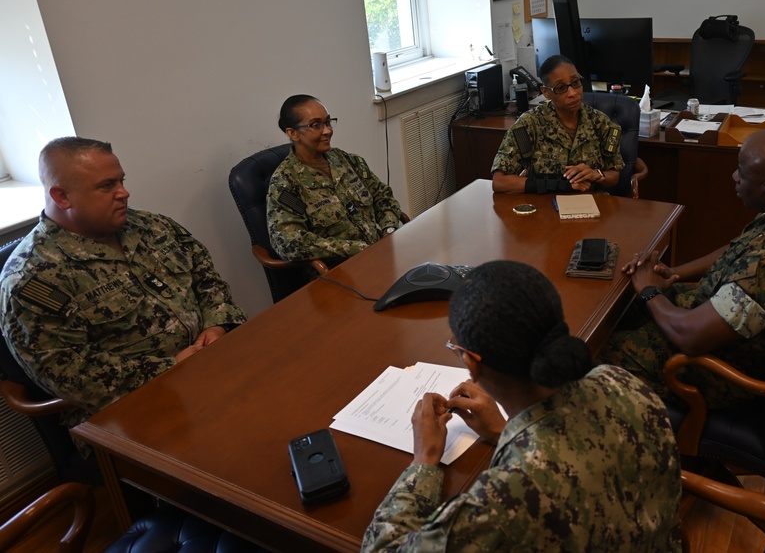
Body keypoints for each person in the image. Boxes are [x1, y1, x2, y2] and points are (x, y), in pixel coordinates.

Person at [363, 260, 681, 552]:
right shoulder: (621, 382)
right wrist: (505, 431)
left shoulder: (509, 496)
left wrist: (424, 462)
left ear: (471, 362)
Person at [0, 137, 246, 437]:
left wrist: (217, 325)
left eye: (121, 181)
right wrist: (172, 367)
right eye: (107, 186)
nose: (124, 193)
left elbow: (206, 278)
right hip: (131, 412)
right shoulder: (32, 279)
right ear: (61, 196)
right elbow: (71, 376)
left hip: (213, 367)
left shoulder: (151, 226)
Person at [599, 128, 765, 409]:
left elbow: (690, 339)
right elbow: (737, 247)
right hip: (710, 318)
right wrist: (674, 273)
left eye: (741, 171)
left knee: (590, 358)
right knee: (618, 306)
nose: (734, 177)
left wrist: (649, 291)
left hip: (714, 370)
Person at [266, 94, 404, 268]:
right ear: (293, 133)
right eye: (316, 125)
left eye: (328, 122)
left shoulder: (346, 160)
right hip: (339, 273)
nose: (327, 130)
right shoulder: (286, 184)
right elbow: (289, 243)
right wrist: (358, 249)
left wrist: (389, 229)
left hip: (381, 254)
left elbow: (382, 197)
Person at [491, 55, 624, 194]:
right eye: (561, 88)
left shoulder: (600, 122)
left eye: (576, 82)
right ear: (546, 92)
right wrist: (554, 185)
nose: (572, 93)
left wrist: (597, 174)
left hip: (591, 204)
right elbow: (500, 182)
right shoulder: (529, 124)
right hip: (544, 207)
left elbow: (614, 176)